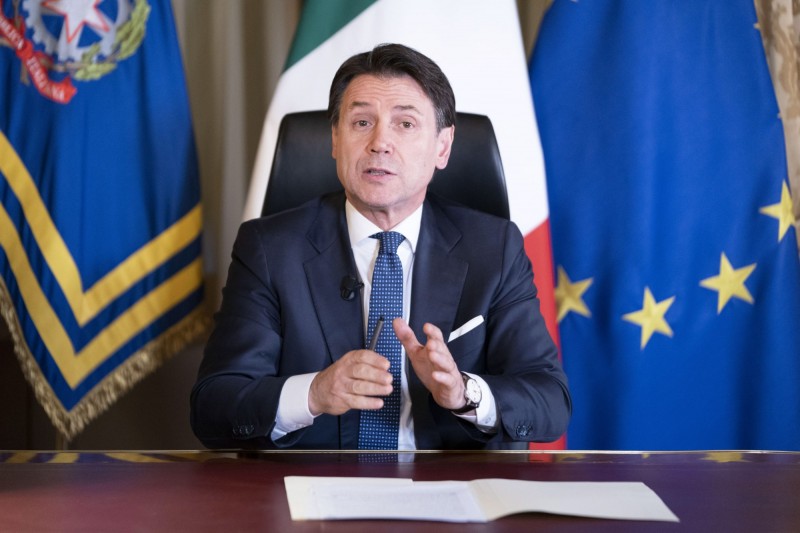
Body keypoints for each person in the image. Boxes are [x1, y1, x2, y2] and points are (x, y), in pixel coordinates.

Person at [190, 43, 571, 450]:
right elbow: (214, 406)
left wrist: (465, 393)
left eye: (405, 124)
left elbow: (550, 402)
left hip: (449, 483)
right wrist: (313, 393)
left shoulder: (494, 248)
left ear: (442, 147)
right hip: (311, 483)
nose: (379, 143)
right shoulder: (270, 249)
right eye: (361, 122)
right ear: (335, 139)